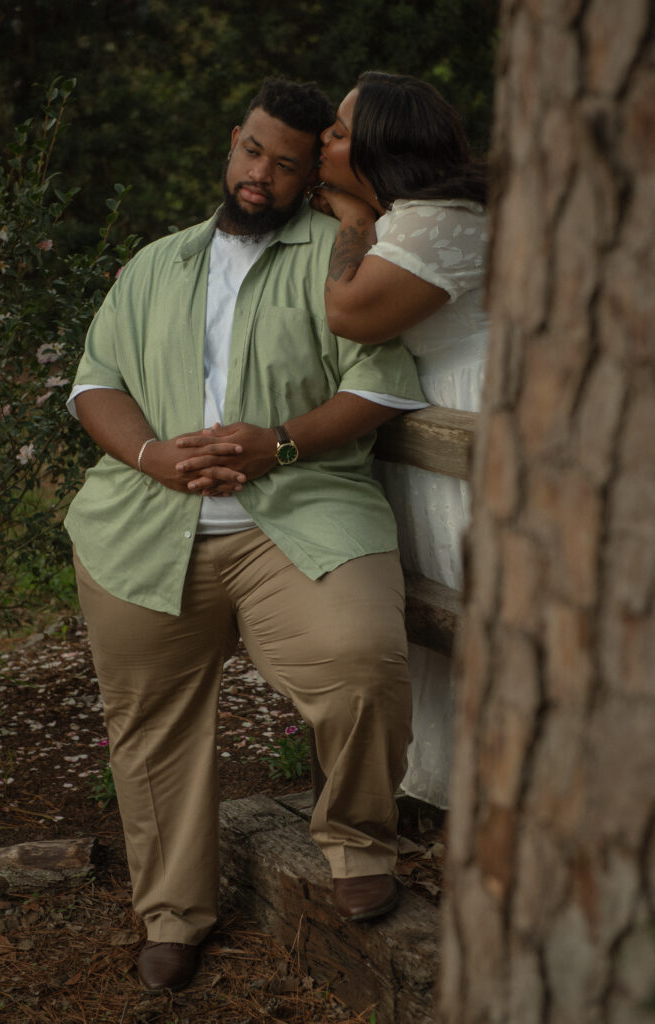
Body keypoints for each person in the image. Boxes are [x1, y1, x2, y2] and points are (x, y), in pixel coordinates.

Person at [64, 77, 427, 993]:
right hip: (144, 529)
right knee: (149, 729)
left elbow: (381, 383)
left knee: (362, 659)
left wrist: (277, 443)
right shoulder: (156, 263)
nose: (260, 174)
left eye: (287, 163)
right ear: (233, 143)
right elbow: (94, 382)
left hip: (299, 521)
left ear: (313, 177)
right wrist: (152, 456)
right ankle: (173, 913)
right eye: (252, 151)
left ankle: (353, 845)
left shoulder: (341, 260)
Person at [313, 71, 489, 808]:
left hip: (475, 404)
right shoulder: (410, 215)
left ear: (381, 148)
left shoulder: (439, 218)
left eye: (342, 131)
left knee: (473, 593)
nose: (325, 137)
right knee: (438, 595)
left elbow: (349, 313)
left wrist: (353, 215)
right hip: (430, 417)